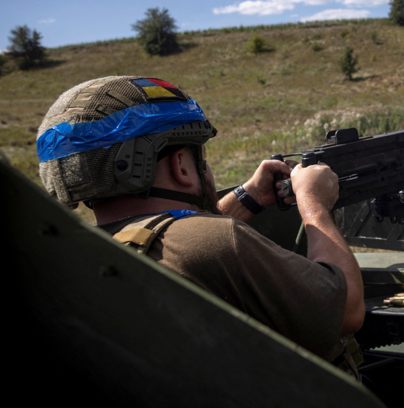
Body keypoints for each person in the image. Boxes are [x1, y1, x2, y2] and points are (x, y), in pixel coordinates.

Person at [36, 76, 364, 374]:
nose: (206, 170)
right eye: (200, 157)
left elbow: (167, 235)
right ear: (180, 164)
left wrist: (247, 197)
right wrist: (315, 204)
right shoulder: (220, 242)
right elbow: (347, 309)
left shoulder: (80, 254)